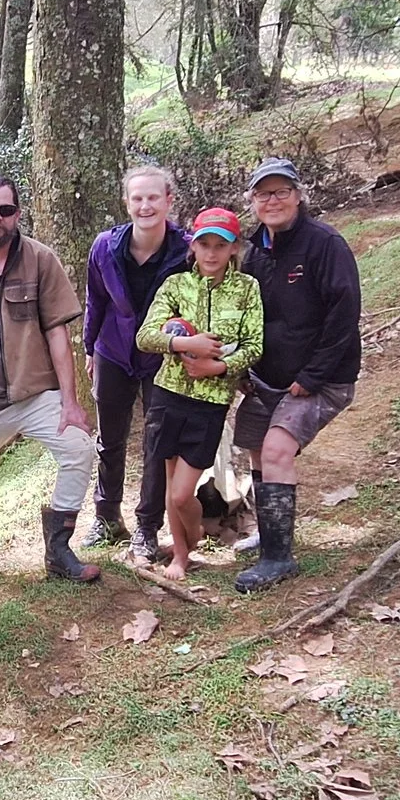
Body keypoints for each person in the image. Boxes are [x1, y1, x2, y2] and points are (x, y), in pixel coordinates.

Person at [0, 175, 101, 586]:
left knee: (79, 448)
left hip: (33, 394)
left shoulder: (41, 260)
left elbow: (58, 335)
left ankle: (59, 551)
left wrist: (70, 401)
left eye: (6, 210)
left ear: (17, 214)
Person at [233, 157, 363, 591]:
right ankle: (270, 533)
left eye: (281, 192)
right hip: (267, 378)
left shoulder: (325, 245)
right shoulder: (255, 252)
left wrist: (312, 376)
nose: (273, 201)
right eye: (263, 194)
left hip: (320, 379)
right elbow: (248, 317)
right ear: (253, 201)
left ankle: (278, 559)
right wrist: (243, 366)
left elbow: (344, 314)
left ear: (298, 195)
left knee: (276, 450)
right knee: (256, 448)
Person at [134, 207, 262, 582]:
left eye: (220, 245)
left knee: (181, 493)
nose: (211, 253)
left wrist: (218, 367)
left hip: (211, 403)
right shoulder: (176, 285)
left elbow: (254, 346)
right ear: (193, 246)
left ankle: (191, 538)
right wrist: (186, 344)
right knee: (171, 483)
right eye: (204, 244)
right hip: (168, 395)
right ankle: (181, 554)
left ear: (234, 248)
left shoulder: (247, 289)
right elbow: (145, 337)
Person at [83, 165, 194, 562]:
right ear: (126, 203)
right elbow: (96, 299)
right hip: (114, 350)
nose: (145, 206)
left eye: (153, 197)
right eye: (137, 198)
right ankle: (106, 517)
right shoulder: (105, 246)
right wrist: (90, 348)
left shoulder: (187, 249)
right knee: (109, 438)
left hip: (163, 355)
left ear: (168, 201)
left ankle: (147, 527)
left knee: (157, 441)